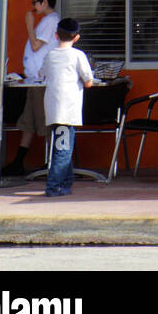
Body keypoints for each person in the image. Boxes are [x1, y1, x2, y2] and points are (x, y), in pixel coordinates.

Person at [3, 0, 60, 176]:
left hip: (42, 82)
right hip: (34, 80)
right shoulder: (46, 21)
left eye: (34, 3)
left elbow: (36, 46)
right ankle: (19, 160)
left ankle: (51, 160)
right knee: (29, 121)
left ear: (44, 2)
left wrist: (28, 23)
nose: (32, 7)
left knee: (42, 121)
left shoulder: (50, 21)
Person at [41, 17, 93, 197]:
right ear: (77, 37)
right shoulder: (78, 55)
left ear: (56, 35)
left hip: (53, 108)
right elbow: (88, 82)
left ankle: (66, 182)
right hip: (67, 110)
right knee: (62, 149)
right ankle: (53, 186)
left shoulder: (50, 55)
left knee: (63, 145)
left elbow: (43, 74)